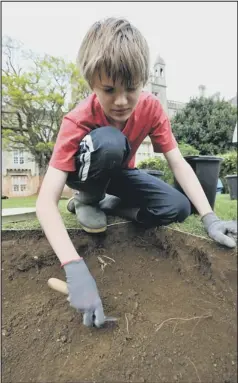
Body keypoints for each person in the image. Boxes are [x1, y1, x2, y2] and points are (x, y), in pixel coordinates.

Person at [36, 17, 237, 328]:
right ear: (92, 83)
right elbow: (45, 202)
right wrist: (75, 268)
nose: (121, 101)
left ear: (143, 80)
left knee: (179, 206)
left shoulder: (152, 107)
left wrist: (209, 217)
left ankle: (107, 203)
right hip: (87, 173)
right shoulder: (76, 120)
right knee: (112, 141)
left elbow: (178, 162)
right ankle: (88, 199)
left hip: (119, 175)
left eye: (131, 88)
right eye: (108, 89)